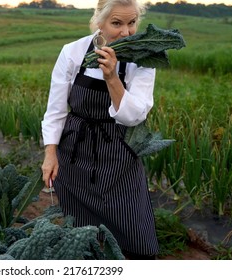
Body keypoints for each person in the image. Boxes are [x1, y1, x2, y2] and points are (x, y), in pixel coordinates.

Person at [41, 0, 159, 260]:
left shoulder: (144, 60)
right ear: (99, 22)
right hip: (74, 154)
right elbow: (56, 110)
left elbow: (133, 116)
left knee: (134, 233)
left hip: (119, 156)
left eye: (132, 23)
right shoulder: (73, 52)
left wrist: (112, 78)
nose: (126, 32)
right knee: (83, 236)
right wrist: (50, 153)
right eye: (117, 23)